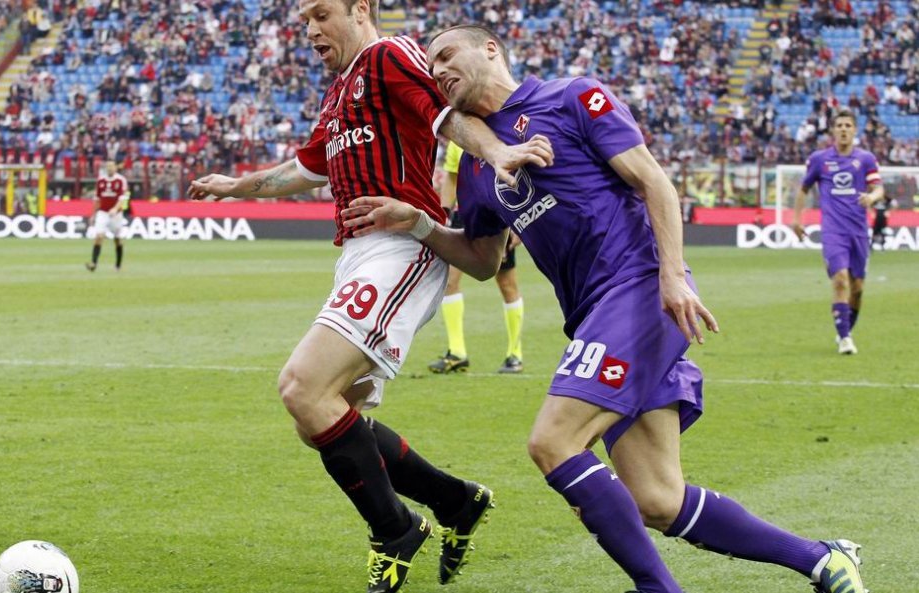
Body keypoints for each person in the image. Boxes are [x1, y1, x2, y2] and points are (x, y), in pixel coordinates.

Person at [342, 25, 868, 593]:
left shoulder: (571, 97)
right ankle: (823, 558)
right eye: (432, 64)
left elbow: (653, 182)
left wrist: (671, 275)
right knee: (658, 500)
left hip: (640, 288)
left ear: (490, 48)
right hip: (594, 316)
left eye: (447, 55)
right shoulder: (474, 164)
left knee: (553, 442)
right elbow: (482, 259)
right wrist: (418, 223)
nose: (438, 70)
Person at [186, 3, 553, 592]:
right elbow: (306, 169)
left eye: (321, 14)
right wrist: (238, 187)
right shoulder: (340, 94)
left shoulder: (388, 56)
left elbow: (445, 119)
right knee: (324, 418)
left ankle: (396, 530)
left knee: (303, 389)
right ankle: (455, 501)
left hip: (401, 246)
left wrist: (498, 152)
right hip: (359, 254)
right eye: (303, 20)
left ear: (361, 10)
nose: (310, 30)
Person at [793, 110, 884, 355]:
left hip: (859, 232)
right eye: (839, 125)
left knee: (858, 287)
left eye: (848, 125)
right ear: (833, 130)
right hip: (833, 231)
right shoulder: (820, 159)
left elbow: (878, 188)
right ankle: (845, 338)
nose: (843, 129)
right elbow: (803, 189)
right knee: (841, 280)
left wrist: (871, 197)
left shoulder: (865, 159)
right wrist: (796, 219)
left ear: (855, 130)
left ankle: (845, 330)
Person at [429, 140, 524, 374]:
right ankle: (457, 352)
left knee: (506, 284)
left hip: (497, 213)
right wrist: (444, 216)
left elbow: (517, 175)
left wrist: (518, 222)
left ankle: (515, 354)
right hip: (463, 215)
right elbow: (451, 177)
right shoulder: (455, 140)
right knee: (449, 281)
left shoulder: (496, 132)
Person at [86, 160, 128, 272]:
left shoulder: (121, 180)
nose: (110, 168)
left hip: (116, 214)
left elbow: (122, 198)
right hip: (103, 212)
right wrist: (93, 214)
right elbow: (97, 199)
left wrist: (115, 208)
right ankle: (93, 263)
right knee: (98, 236)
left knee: (117, 239)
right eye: (108, 166)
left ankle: (118, 265)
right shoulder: (101, 180)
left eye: (112, 166)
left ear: (115, 167)